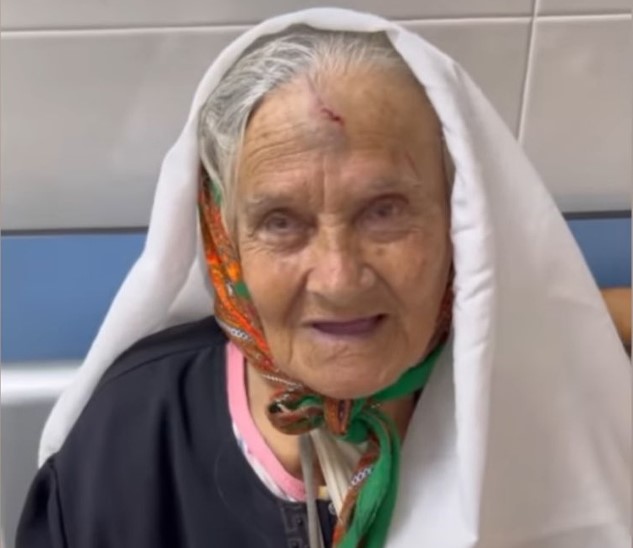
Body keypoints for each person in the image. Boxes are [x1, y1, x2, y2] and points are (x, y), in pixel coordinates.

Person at [16, 9, 631, 548]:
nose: (338, 280)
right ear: (225, 241)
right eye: (281, 222)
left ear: (460, 221)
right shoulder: (129, 440)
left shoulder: (546, 418)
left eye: (385, 211)